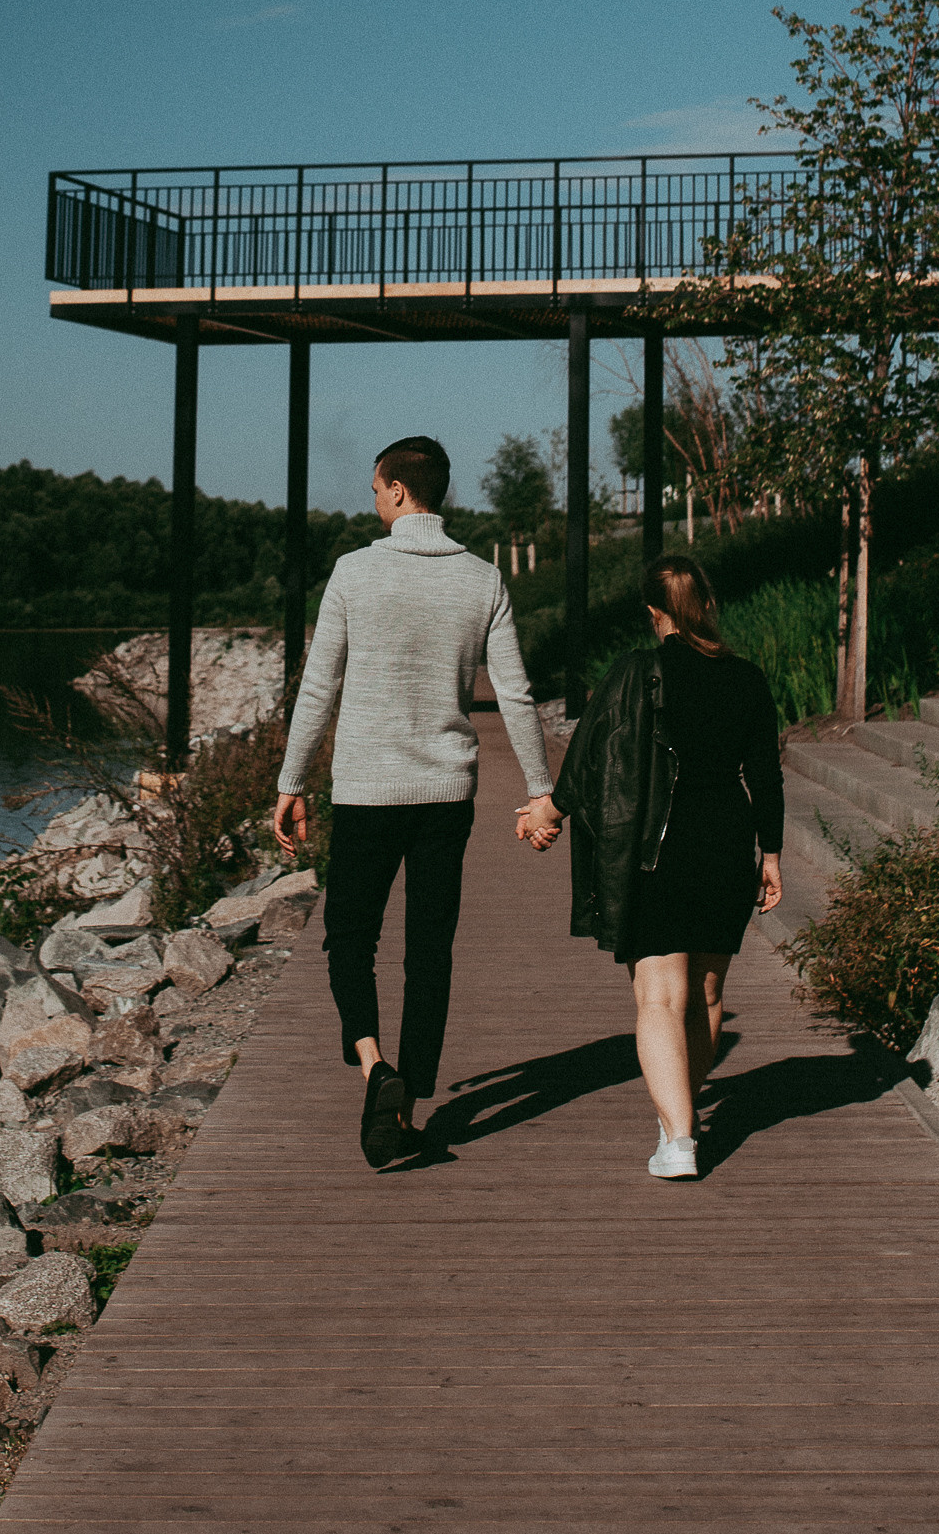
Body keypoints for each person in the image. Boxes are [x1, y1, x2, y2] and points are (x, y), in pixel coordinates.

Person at [274, 434, 555, 1166]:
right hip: (445, 793)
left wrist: (291, 781)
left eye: (374, 489)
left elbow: (319, 686)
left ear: (398, 490)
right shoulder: (482, 580)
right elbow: (516, 694)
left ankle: (375, 1068)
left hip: (367, 790)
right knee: (429, 951)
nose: (371, 501)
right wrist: (538, 790)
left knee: (349, 939)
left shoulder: (354, 572)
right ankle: (406, 1108)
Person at [520, 553, 783, 1181]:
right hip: (726, 842)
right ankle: (680, 1117)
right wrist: (770, 856)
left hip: (658, 847)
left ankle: (680, 1137)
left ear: (652, 612)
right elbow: (766, 775)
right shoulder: (747, 678)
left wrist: (544, 815)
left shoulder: (637, 672)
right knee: (707, 995)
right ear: (708, 604)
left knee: (660, 997)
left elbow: (590, 760)